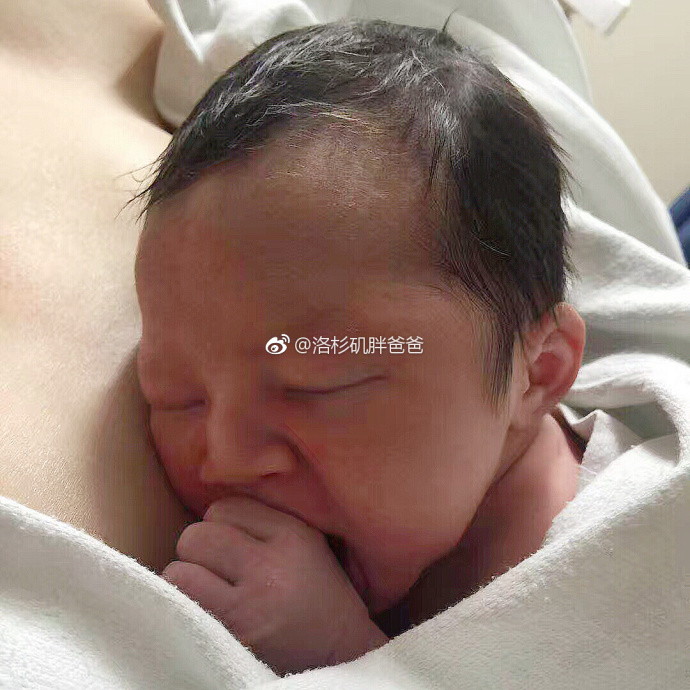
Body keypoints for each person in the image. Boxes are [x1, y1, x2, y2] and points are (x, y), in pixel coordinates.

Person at [133, 18, 587, 676]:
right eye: (177, 397)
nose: (227, 458)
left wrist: (344, 655)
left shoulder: (605, 570)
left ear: (537, 372)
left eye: (317, 383)